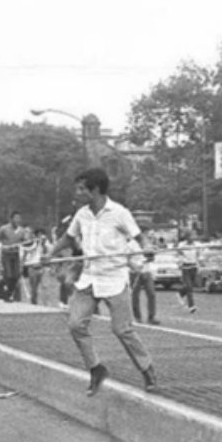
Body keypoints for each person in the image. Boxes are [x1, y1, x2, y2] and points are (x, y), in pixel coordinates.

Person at [43, 168, 159, 396]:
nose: (77, 193)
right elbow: (68, 237)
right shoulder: (81, 214)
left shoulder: (119, 213)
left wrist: (146, 247)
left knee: (122, 329)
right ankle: (96, 369)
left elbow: (139, 237)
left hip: (114, 278)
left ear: (95, 189)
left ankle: (147, 368)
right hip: (89, 278)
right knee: (76, 325)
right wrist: (51, 253)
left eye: (81, 189)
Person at [0, 211, 29, 302]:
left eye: (19, 218)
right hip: (6, 254)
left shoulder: (22, 231)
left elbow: (26, 242)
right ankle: (1, 290)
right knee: (9, 275)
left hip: (15, 254)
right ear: (11, 219)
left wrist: (28, 241)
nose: (17, 220)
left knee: (16, 275)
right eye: (16, 218)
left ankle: (8, 293)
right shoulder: (4, 229)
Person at [130, 237, 159, 325]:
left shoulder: (146, 244)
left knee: (151, 293)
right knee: (135, 295)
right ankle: (137, 317)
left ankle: (151, 316)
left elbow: (152, 256)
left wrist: (151, 255)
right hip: (135, 272)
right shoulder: (130, 245)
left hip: (146, 271)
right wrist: (135, 266)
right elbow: (127, 259)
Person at [23, 229, 49, 305]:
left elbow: (47, 254)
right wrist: (22, 264)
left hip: (42, 269)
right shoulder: (31, 244)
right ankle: (34, 304)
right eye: (39, 235)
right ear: (36, 236)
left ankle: (46, 305)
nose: (41, 237)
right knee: (34, 289)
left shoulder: (45, 246)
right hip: (32, 269)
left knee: (45, 287)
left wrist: (43, 245)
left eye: (42, 235)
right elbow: (25, 253)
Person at [177, 229, 199, 314]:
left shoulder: (197, 245)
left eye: (194, 235)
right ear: (187, 237)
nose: (193, 237)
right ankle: (191, 306)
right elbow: (179, 254)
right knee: (189, 287)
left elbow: (198, 255)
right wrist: (180, 263)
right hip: (185, 267)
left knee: (191, 286)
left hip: (194, 267)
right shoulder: (181, 245)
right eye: (191, 235)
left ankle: (180, 293)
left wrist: (199, 264)